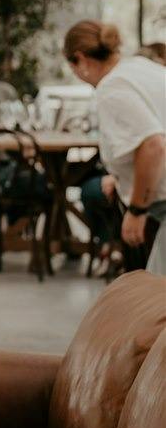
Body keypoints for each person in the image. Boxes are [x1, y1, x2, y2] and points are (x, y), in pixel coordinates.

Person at [63, 21, 166, 275]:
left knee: (156, 299)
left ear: (80, 59)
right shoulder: (141, 67)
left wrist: (137, 210)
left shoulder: (112, 86)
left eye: (72, 67)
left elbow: (153, 145)